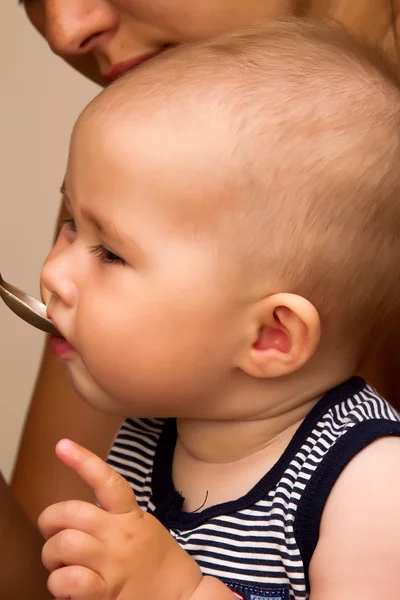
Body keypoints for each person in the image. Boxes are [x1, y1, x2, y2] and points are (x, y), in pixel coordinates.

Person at [1, 1, 399, 598]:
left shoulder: (368, 485)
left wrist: (182, 593)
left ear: (271, 336)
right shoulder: (146, 438)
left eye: (109, 253)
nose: (53, 272)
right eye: (69, 227)